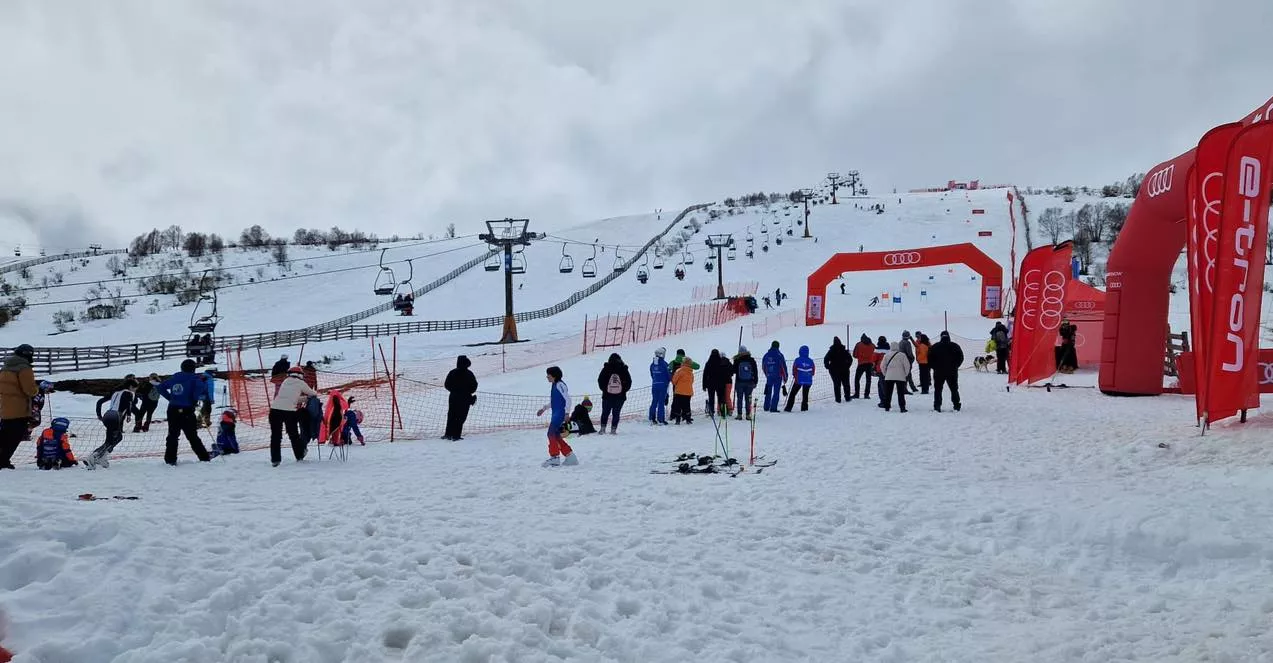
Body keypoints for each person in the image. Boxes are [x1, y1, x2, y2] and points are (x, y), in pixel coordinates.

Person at [155, 359, 213, 466]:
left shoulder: (174, 378)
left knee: (172, 435)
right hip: (187, 410)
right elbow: (199, 390)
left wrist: (170, 398)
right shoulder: (195, 379)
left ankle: (170, 460)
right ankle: (204, 457)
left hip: (172, 409)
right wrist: (194, 400)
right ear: (193, 369)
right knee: (192, 436)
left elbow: (160, 387)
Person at [83, 377, 138, 468]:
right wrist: (129, 415)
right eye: (135, 388)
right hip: (116, 417)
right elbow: (129, 404)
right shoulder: (129, 393)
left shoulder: (116, 392)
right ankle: (93, 456)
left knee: (114, 438)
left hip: (107, 415)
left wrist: (99, 415)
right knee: (115, 438)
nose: (136, 390)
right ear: (131, 386)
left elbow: (99, 402)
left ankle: (102, 457)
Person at [0, 344, 39, 470]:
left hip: (5, 406)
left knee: (5, 434)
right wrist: (37, 389)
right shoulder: (24, 368)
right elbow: (30, 390)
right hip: (19, 408)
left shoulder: (5, 367)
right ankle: (3, 461)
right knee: (14, 436)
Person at [269, 366, 318, 466]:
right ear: (300, 375)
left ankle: (275, 460)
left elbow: (291, 397)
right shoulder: (301, 383)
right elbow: (313, 393)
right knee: (294, 435)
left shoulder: (285, 381)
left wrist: (304, 399)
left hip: (274, 410)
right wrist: (308, 397)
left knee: (275, 436)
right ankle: (299, 455)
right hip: (289, 412)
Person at [536, 366, 578, 467]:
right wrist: (544, 408)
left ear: (554, 375)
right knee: (556, 435)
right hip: (556, 413)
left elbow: (568, 399)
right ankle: (570, 456)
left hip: (560, 414)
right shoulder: (554, 385)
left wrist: (567, 413)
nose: (547, 377)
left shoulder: (560, 385)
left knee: (550, 434)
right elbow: (555, 401)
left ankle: (554, 457)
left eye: (548, 375)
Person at [929, 331, 965, 412]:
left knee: (938, 390)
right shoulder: (955, 346)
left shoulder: (935, 347)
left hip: (938, 372)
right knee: (954, 389)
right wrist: (955, 366)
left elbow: (929, 359)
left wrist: (934, 367)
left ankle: (937, 406)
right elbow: (961, 357)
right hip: (952, 372)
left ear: (941, 337)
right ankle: (956, 405)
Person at [443, 355, 477, 441]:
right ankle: (456, 435)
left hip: (453, 397)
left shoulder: (452, 372)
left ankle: (448, 434)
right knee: (461, 417)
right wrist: (468, 392)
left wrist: (454, 391)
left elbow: (447, 384)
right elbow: (474, 386)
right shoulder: (469, 374)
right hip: (465, 398)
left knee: (451, 415)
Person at [596, 353, 632, 434]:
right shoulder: (623, 369)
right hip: (620, 397)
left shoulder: (606, 368)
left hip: (607, 396)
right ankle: (613, 430)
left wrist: (605, 390)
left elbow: (600, 380)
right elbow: (629, 382)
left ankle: (602, 429)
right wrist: (623, 391)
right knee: (616, 413)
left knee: (605, 412)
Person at [879, 342, 912, 412]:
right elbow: (907, 365)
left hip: (889, 377)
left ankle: (887, 407)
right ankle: (902, 408)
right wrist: (905, 374)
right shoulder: (902, 355)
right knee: (900, 393)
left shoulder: (886, 355)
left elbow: (882, 366)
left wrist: (885, 374)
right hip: (900, 377)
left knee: (888, 393)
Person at [784, 346, 815, 412]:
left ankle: (788, 408)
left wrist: (795, 376)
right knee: (805, 395)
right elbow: (813, 371)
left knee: (793, 394)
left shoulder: (797, 360)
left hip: (799, 380)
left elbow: (794, 369)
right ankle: (804, 408)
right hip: (808, 381)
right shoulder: (811, 361)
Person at [823, 337, 852, 403]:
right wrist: (847, 366)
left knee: (836, 385)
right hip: (844, 370)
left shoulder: (831, 351)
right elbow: (850, 359)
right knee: (846, 384)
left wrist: (828, 367)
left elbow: (826, 359)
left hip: (834, 371)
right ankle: (847, 397)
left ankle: (838, 399)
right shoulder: (844, 350)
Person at [732, 346, 759, 420]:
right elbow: (755, 371)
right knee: (748, 399)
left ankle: (739, 414)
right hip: (750, 382)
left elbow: (733, 371)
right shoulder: (751, 360)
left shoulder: (737, 360)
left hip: (739, 382)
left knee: (739, 398)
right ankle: (748, 414)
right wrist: (755, 381)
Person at [761, 341, 787, 412]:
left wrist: (767, 374)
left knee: (768, 391)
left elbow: (763, 366)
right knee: (776, 392)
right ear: (778, 346)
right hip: (778, 376)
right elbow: (783, 367)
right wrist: (785, 377)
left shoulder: (766, 355)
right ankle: (773, 408)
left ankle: (766, 407)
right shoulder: (780, 355)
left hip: (769, 376)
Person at [702, 350, 730, 417]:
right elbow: (725, 373)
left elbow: (705, 375)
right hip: (720, 384)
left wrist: (704, 385)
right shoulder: (721, 362)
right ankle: (722, 412)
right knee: (721, 398)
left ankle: (711, 412)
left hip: (710, 384)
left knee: (711, 398)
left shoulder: (708, 363)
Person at [669, 356, 696, 424]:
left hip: (679, 392)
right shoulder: (691, 372)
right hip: (688, 392)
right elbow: (692, 381)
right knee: (687, 405)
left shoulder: (679, 371)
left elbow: (674, 381)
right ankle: (688, 419)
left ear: (683, 363)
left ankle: (678, 420)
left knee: (678, 406)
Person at [649, 348, 670, 425]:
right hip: (663, 385)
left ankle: (652, 417)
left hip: (654, 385)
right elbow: (668, 375)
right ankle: (661, 419)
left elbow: (652, 374)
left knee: (654, 401)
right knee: (661, 402)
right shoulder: (664, 364)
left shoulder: (652, 364)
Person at [852, 334, 876, 399]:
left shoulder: (859, 345)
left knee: (857, 379)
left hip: (861, 364)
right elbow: (875, 354)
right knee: (868, 380)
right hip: (870, 364)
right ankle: (866, 395)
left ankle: (857, 394)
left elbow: (855, 355)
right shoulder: (873, 345)